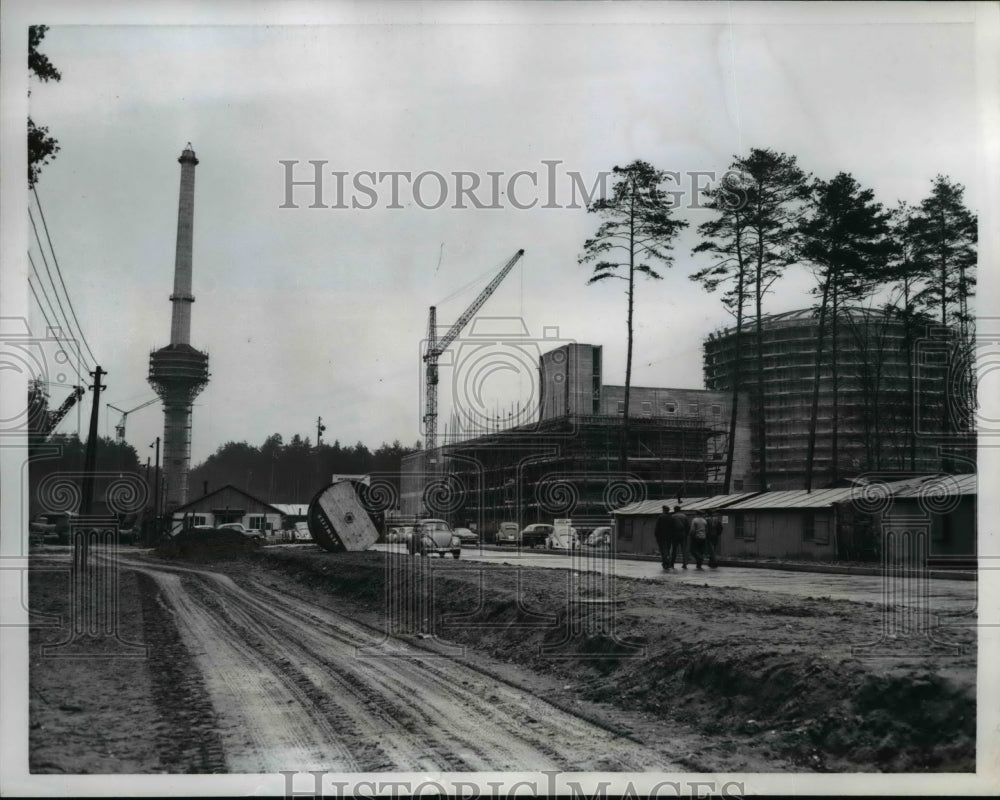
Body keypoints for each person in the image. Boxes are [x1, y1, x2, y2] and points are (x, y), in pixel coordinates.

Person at [667, 505, 691, 569]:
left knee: (674, 550)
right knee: (684, 550)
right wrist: (686, 534)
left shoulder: (672, 516)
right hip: (683, 534)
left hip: (675, 535)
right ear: (680, 510)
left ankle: (672, 563)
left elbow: (670, 527)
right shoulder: (684, 516)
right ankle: (684, 564)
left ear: (674, 510)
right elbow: (688, 526)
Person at [654, 504, 673, 570]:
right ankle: (667, 563)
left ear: (664, 510)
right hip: (669, 537)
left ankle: (666, 563)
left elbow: (657, 527)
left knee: (663, 550)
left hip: (661, 536)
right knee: (667, 549)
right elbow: (672, 528)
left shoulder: (660, 517)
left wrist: (656, 535)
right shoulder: (671, 517)